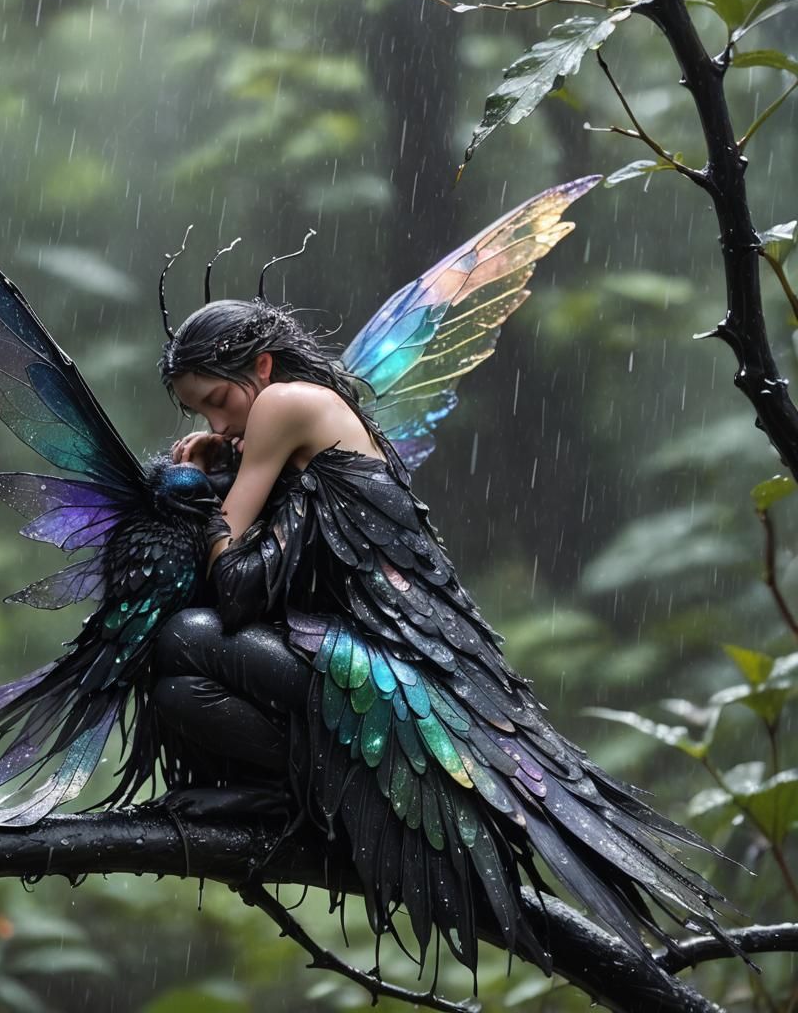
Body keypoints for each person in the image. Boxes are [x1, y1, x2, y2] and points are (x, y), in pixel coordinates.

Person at [148, 297, 730, 974]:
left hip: (380, 659)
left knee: (185, 638)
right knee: (178, 693)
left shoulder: (283, 403)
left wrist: (196, 488)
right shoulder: (300, 412)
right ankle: (297, 802)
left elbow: (237, 587)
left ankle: (298, 801)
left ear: (264, 367)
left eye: (220, 401)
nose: (219, 423)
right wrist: (225, 462)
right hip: (354, 651)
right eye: (202, 415)